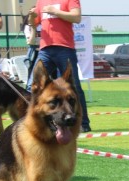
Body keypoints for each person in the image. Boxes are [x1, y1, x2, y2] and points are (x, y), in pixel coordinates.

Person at [27, 0, 91, 132]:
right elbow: (34, 23)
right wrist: (32, 17)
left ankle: (83, 123)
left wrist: (55, 11)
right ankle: (29, 120)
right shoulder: (41, 1)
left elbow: (76, 17)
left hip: (65, 48)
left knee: (75, 87)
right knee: (30, 87)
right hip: (45, 49)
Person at [22, 7, 42, 80]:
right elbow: (30, 42)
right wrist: (33, 27)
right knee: (32, 75)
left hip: (46, 51)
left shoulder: (45, 25)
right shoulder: (27, 27)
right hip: (35, 53)